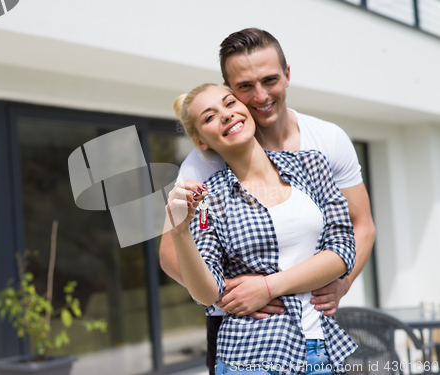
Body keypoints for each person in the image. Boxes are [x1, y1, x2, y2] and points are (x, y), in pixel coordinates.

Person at [159, 28, 375, 375]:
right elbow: (171, 251)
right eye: (244, 87)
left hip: (315, 328)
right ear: (232, 87)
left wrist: (340, 283)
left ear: (287, 75)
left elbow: (359, 226)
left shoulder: (322, 146)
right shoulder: (204, 169)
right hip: (246, 336)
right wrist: (231, 294)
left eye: (270, 80)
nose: (259, 95)